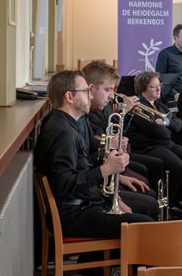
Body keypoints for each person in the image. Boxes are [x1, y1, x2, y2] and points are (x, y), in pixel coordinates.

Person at [34, 71, 154, 241]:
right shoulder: (63, 134)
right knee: (145, 225)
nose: (91, 96)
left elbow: (81, 166)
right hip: (74, 214)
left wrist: (113, 179)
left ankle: (100, 266)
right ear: (69, 96)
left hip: (83, 202)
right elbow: (64, 185)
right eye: (86, 91)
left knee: (147, 208)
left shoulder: (69, 124)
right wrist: (106, 169)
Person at [127, 71, 182, 211]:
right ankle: (168, 204)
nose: (158, 89)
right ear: (143, 89)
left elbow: (178, 124)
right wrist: (167, 126)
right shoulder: (137, 106)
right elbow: (159, 132)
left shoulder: (159, 104)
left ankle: (178, 200)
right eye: (153, 86)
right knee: (178, 168)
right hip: (149, 147)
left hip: (166, 144)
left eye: (159, 85)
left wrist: (166, 124)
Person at [82, 61, 164, 189]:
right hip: (102, 168)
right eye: (108, 89)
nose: (112, 96)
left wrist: (128, 116)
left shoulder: (107, 106)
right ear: (91, 88)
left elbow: (117, 133)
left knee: (150, 169)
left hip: (109, 160)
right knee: (148, 172)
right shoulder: (88, 114)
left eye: (113, 89)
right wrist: (124, 112)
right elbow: (97, 148)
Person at [155, 23, 182, 102]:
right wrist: (175, 94)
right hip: (171, 99)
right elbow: (160, 79)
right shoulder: (165, 54)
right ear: (175, 38)